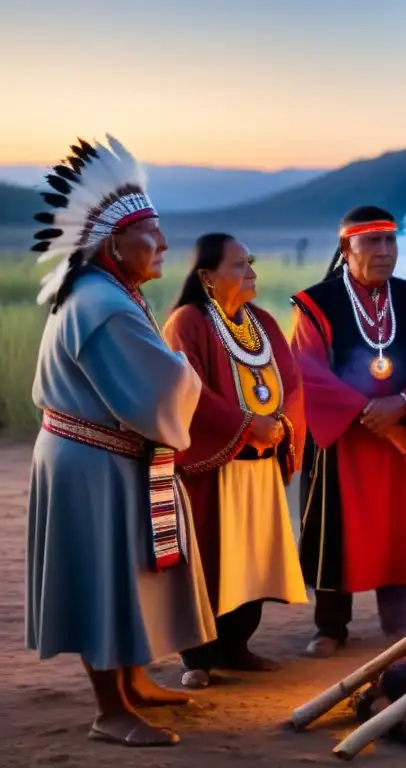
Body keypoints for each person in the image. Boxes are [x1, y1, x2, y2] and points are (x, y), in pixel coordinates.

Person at [25, 136, 216, 747]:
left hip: (103, 456)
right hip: (92, 464)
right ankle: (111, 710)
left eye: (162, 233)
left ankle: (134, 682)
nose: (163, 245)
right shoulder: (104, 305)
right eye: (151, 235)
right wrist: (186, 370)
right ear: (113, 244)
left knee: (130, 573)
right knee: (103, 578)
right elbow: (159, 388)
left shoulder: (106, 293)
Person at [290, 205, 406, 657]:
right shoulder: (314, 303)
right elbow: (307, 370)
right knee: (336, 527)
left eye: (391, 241)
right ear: (347, 249)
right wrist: (374, 415)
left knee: (398, 524)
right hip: (345, 442)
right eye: (372, 242)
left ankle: (396, 616)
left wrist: (402, 405)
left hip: (403, 432)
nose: (384, 252)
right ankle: (330, 624)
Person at [163, 233, 308, 689]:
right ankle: (199, 657)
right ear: (207, 277)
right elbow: (189, 388)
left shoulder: (261, 320)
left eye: (251, 263)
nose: (251, 273)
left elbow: (292, 382)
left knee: (252, 558)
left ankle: (237, 646)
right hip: (214, 464)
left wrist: (282, 426)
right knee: (209, 557)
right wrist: (247, 425)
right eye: (239, 265)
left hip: (259, 462)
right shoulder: (188, 322)